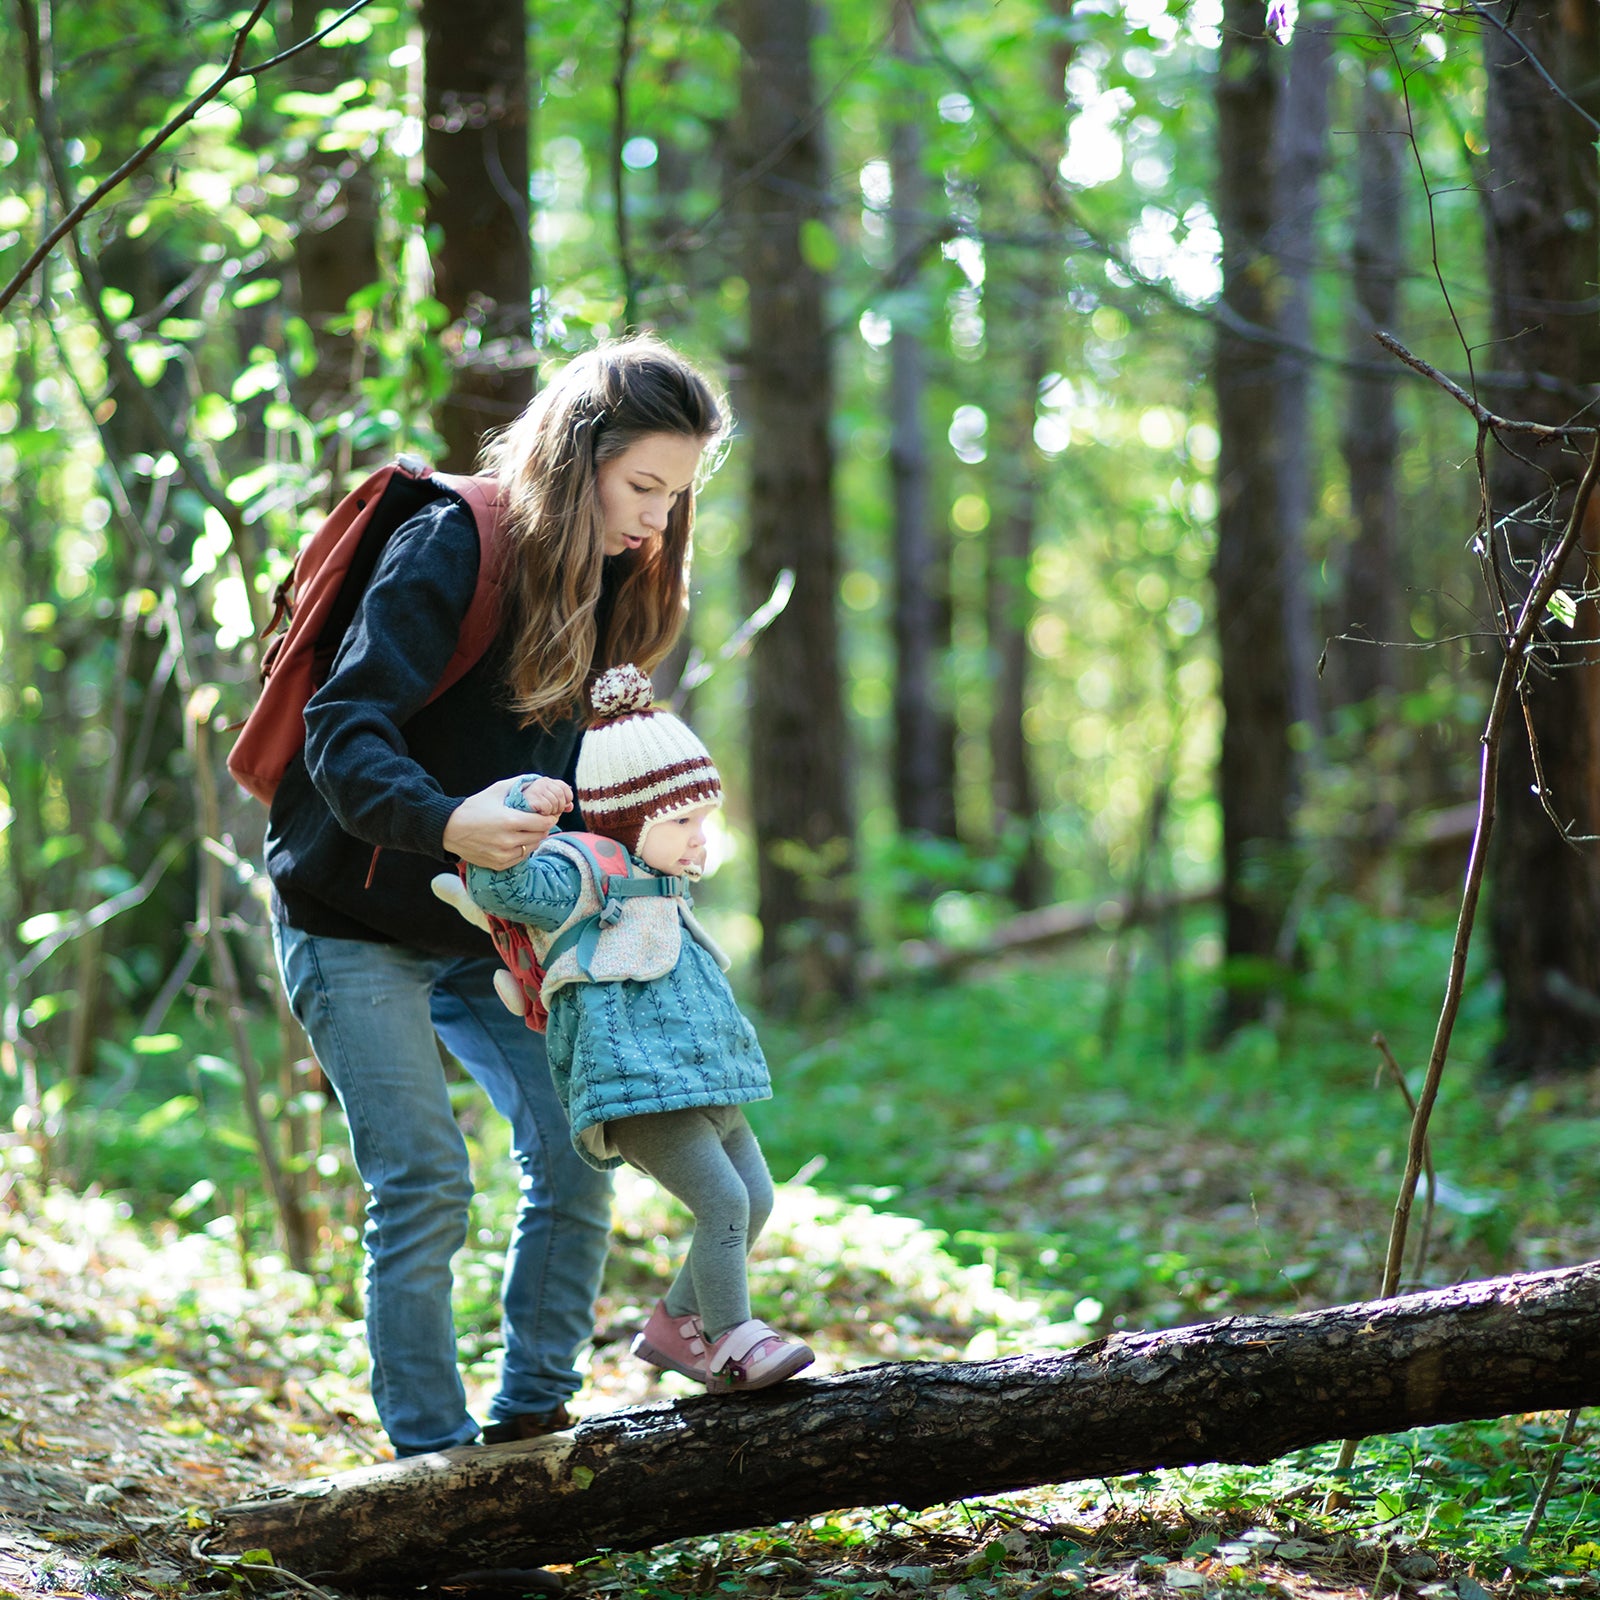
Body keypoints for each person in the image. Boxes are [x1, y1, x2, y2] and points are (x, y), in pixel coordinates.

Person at [266, 337, 729, 1457]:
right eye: (643, 488)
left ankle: (529, 1428)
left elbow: (599, 778)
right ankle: (434, 1462)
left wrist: (658, 841)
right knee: (425, 1181)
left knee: (579, 1151)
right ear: (579, 460)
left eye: (677, 498)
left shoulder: (616, 583)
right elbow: (344, 727)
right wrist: (444, 818)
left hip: (502, 926)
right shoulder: (449, 542)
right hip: (355, 912)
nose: (657, 523)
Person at [438, 663, 814, 1392]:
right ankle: (730, 1338)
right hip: (638, 1087)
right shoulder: (585, 875)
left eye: (703, 820)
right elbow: (500, 882)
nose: (700, 839)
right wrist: (522, 803)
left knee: (756, 1199)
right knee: (724, 1202)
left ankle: (677, 1324)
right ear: (629, 818)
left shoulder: (666, 888)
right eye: (682, 822)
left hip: (704, 1078)